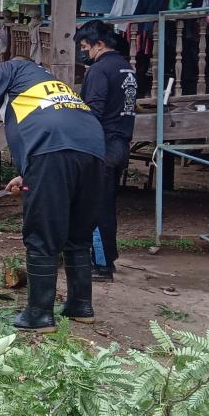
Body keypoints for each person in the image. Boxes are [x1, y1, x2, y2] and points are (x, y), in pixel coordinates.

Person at [0, 55, 105, 332]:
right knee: (78, 233)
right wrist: (28, 177)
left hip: (51, 149)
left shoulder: (16, 67)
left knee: (42, 232)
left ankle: (39, 315)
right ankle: (81, 305)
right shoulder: (53, 86)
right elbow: (60, 135)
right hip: (93, 148)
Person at [78, 21, 137, 282]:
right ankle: (105, 259)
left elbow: (93, 111)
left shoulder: (99, 70)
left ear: (99, 44)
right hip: (120, 143)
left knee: (96, 206)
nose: (84, 52)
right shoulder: (127, 68)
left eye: (85, 47)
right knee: (106, 204)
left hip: (102, 146)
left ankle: (102, 266)